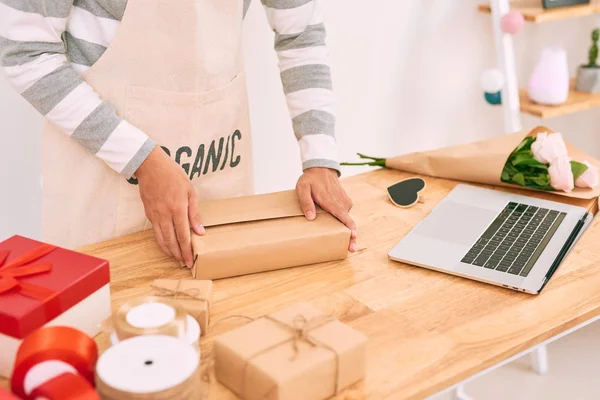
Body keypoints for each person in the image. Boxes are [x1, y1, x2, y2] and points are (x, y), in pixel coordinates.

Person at [0, 0, 357, 267]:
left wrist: (319, 157)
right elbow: (25, 53)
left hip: (217, 170)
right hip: (99, 186)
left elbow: (300, 32)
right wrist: (143, 160)